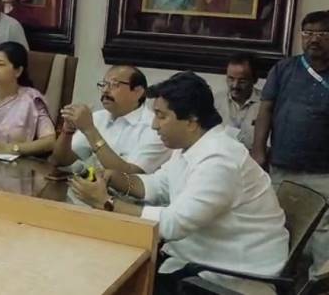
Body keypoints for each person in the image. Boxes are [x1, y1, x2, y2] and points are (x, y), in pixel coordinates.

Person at [71, 72, 287, 295]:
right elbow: (158, 186)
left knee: (110, 279)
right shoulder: (191, 147)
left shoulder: (220, 159)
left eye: (161, 116)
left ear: (191, 122)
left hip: (229, 278)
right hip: (196, 262)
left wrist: (107, 203)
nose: (154, 125)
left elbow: (173, 224)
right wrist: (115, 179)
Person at [254, 10, 329, 276]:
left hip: (324, 171)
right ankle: (274, 279)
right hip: (283, 166)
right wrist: (258, 151)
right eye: (308, 33)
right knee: (278, 226)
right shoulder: (284, 69)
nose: (314, 39)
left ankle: (319, 284)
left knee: (324, 233)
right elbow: (265, 110)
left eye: (322, 34)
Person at [48, 66, 170, 175]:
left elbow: (129, 176)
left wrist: (90, 130)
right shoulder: (97, 117)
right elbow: (60, 161)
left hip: (124, 194)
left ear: (138, 92)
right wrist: (67, 131)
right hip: (87, 186)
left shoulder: (155, 128)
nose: (105, 90)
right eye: (104, 84)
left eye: (114, 84)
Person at [214, 52, 260, 149]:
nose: (235, 85)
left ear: (254, 79)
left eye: (242, 81)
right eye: (231, 79)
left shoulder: (265, 105)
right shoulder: (215, 102)